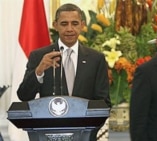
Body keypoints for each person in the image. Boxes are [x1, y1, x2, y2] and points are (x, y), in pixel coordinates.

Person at [17, 3, 111, 141]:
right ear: (55, 25)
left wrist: (88, 131)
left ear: (82, 25)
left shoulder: (96, 59)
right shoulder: (39, 56)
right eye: (64, 24)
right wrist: (39, 71)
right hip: (48, 134)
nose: (69, 29)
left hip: (84, 135)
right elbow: (23, 95)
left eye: (74, 23)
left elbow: (104, 103)